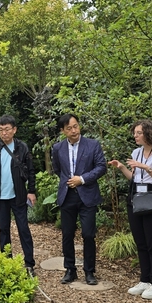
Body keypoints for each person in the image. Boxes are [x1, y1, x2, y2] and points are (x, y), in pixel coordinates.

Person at [108, 120, 152, 300]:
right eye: (134, 133)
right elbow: (134, 178)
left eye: (139, 132)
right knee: (140, 242)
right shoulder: (136, 152)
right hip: (136, 199)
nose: (135, 135)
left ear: (149, 133)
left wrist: (146, 167)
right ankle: (144, 279)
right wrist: (122, 168)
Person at [51, 114, 106, 285]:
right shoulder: (58, 148)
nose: (74, 130)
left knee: (88, 234)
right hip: (67, 196)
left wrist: (81, 179)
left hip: (87, 195)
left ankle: (89, 271)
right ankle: (70, 269)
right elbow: (58, 170)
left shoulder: (92, 145)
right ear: (63, 131)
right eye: (69, 128)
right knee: (67, 234)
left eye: (76, 126)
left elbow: (101, 167)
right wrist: (69, 182)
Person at [0, 115, 37, 276]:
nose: (4, 133)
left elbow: (31, 170)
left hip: (19, 196)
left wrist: (32, 191)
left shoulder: (22, 148)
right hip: (1, 197)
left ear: (14, 130)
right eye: (1, 130)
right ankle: (6, 263)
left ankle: (29, 264)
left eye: (7, 129)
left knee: (23, 229)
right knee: (3, 230)